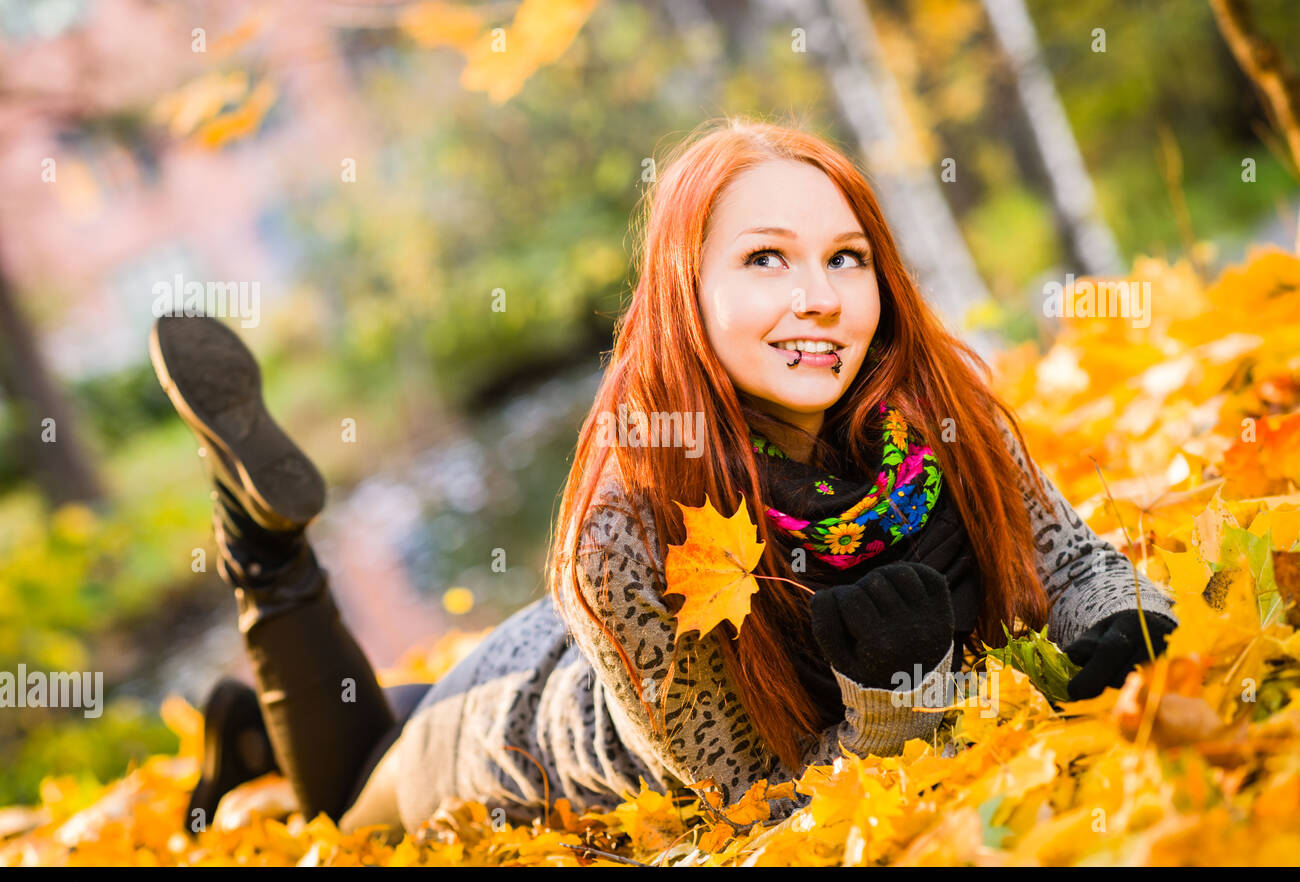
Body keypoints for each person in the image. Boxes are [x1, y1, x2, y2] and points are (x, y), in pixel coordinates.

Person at [151, 117, 1179, 841]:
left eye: (846, 257)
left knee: (369, 721)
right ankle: (261, 538)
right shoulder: (621, 536)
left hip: (597, 657)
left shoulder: (933, 408)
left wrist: (1120, 623)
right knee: (345, 798)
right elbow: (757, 806)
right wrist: (894, 704)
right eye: (766, 260)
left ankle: (248, 736)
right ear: (687, 289)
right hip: (526, 739)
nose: (817, 297)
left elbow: (1071, 555)